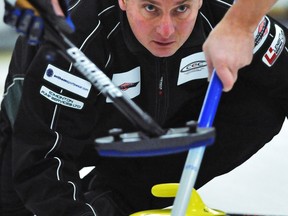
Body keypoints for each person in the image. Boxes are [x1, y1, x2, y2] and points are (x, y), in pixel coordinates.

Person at [1, 0, 287, 215]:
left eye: (181, 8)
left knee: (266, 100)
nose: (166, 30)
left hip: (165, 123)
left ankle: (117, 198)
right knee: (18, 192)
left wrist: (240, 25)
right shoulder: (79, 32)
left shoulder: (226, 16)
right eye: (150, 7)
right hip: (54, 120)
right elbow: (41, 155)